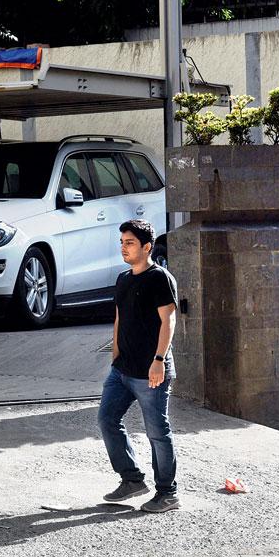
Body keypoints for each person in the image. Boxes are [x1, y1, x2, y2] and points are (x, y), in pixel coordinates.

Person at [99, 219, 180, 513]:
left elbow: (168, 320)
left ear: (146, 247)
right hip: (121, 370)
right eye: (122, 242)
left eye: (130, 243)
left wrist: (159, 361)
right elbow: (120, 316)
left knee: (157, 432)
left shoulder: (160, 278)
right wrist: (116, 352)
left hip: (151, 373)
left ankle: (168, 493)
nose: (124, 247)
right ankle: (132, 479)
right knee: (107, 420)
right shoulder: (124, 279)